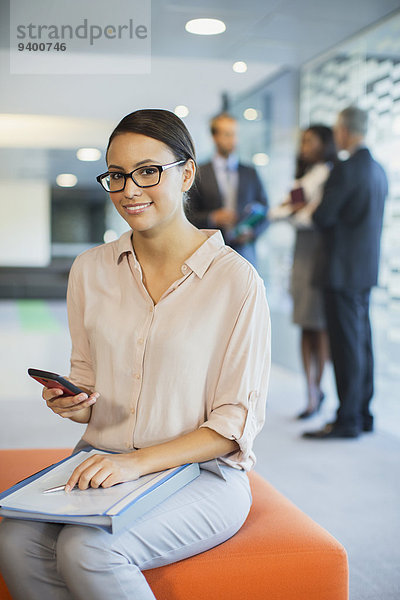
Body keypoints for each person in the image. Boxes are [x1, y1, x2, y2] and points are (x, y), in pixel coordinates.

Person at [0, 109, 271, 600]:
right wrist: (76, 403)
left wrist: (137, 463)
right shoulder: (90, 270)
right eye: (117, 175)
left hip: (200, 475)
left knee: (88, 549)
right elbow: (86, 378)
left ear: (187, 173)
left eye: (148, 171)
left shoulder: (236, 281)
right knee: (13, 539)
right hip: (106, 462)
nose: (130, 189)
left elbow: (235, 421)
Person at [303, 106, 388, 439]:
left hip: (340, 271)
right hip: (364, 271)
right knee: (362, 342)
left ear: (344, 131)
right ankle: (362, 413)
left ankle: (347, 420)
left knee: (346, 345)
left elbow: (323, 216)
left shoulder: (346, 168)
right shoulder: (378, 170)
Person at [270, 126, 337, 419]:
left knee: (317, 324)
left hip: (320, 253)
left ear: (325, 143)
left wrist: (296, 212)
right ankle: (311, 389)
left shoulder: (329, 173)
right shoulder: (304, 177)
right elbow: (280, 211)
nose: (304, 145)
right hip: (302, 252)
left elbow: (314, 216)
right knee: (305, 323)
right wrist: (296, 211)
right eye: (303, 140)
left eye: (310, 140)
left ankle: (316, 389)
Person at [188, 113, 269, 267]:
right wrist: (212, 217)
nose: (233, 140)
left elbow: (265, 210)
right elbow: (188, 215)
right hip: (210, 254)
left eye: (235, 134)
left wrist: (252, 233)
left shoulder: (250, 173)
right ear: (214, 137)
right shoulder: (198, 173)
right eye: (227, 134)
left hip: (245, 255)